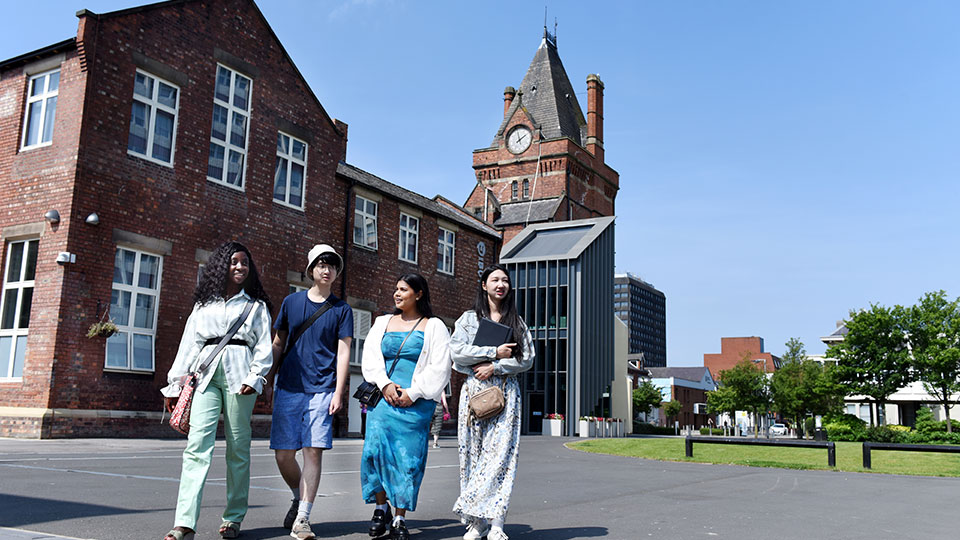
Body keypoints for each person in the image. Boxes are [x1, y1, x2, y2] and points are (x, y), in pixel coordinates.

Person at [161, 241, 274, 540]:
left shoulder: (256, 306)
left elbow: (263, 347)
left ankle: (233, 518)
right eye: (234, 262)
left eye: (245, 263)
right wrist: (175, 385)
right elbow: (189, 346)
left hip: (241, 379)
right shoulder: (203, 306)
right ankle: (184, 523)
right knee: (196, 448)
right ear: (221, 265)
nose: (240, 267)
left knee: (239, 449)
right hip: (205, 376)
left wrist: (256, 377)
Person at [265, 244, 353, 540]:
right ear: (311, 270)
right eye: (321, 265)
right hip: (289, 386)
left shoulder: (342, 310)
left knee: (312, 452)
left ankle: (303, 518)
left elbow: (343, 352)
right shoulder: (291, 302)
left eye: (331, 266)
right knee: (283, 455)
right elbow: (279, 343)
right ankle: (297, 496)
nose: (326, 270)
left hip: (322, 389)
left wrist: (339, 392)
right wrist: (268, 377)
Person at [360, 274, 452, 540]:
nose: (397, 294)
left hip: (415, 405)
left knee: (407, 461)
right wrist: (385, 384)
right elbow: (370, 357)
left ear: (419, 294)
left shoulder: (434, 326)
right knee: (373, 454)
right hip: (383, 400)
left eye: (404, 289)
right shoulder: (382, 323)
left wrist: (413, 393)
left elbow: (440, 367)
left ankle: (399, 517)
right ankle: (380, 508)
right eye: (396, 289)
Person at [450, 264, 534, 540]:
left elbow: (527, 358)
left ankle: (497, 523)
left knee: (501, 457)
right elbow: (457, 353)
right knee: (471, 455)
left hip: (505, 393)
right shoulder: (467, 319)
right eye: (495, 279)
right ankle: (476, 521)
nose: (501, 284)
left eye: (505, 281)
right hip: (474, 394)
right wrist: (493, 352)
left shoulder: (516, 322)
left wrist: (495, 367)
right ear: (483, 285)